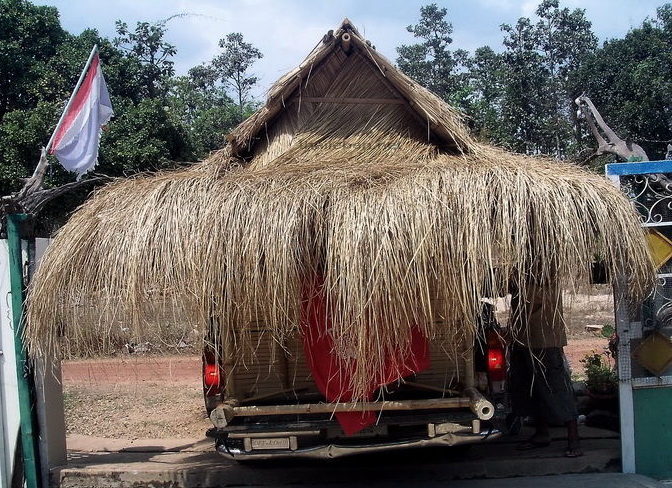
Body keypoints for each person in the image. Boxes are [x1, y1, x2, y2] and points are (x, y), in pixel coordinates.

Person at [508, 269, 583, 458]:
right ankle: (542, 433)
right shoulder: (521, 267)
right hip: (523, 337)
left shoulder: (547, 263)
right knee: (529, 386)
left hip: (545, 338)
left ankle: (573, 438)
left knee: (556, 386)